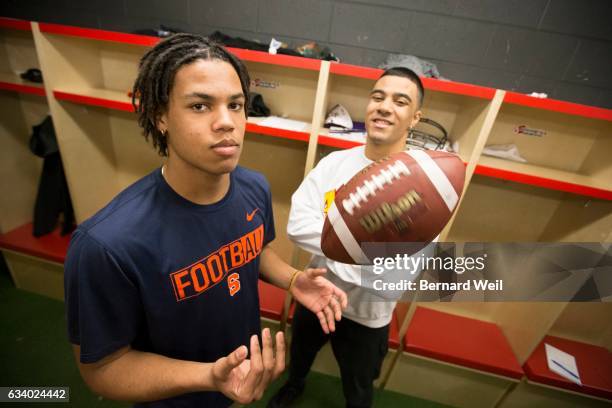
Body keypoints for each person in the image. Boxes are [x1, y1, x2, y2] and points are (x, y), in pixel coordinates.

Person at [64, 33, 347, 408]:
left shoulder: (253, 187)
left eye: (236, 105)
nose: (226, 122)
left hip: (240, 379)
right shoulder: (105, 245)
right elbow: (102, 369)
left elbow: (249, 249)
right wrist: (209, 376)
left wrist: (292, 279)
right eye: (200, 106)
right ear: (160, 116)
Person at [269, 67, 425, 408]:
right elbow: (297, 225)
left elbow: (396, 275)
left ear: (415, 118)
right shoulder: (334, 164)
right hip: (315, 296)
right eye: (378, 96)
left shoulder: (424, 186)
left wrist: (334, 241)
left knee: (358, 389)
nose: (384, 107)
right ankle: (294, 386)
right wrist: (368, 250)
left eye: (400, 101)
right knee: (300, 356)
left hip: (367, 315)